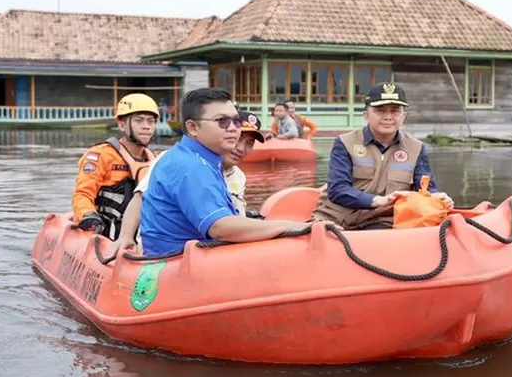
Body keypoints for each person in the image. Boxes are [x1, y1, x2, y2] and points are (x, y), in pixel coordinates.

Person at [136, 87, 336, 257]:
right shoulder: (192, 167)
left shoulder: (197, 158)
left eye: (235, 122)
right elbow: (220, 227)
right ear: (193, 127)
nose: (233, 129)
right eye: (222, 122)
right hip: (178, 264)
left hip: (181, 257)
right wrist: (289, 226)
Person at [109, 110, 266, 255]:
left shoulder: (238, 176)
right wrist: (125, 236)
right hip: (167, 254)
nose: (241, 148)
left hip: (213, 253)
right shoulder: (173, 160)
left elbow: (234, 216)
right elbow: (139, 199)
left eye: (249, 143)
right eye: (238, 139)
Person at [312, 82, 454, 230]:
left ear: (403, 116)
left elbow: (425, 188)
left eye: (395, 111)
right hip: (339, 217)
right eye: (380, 110)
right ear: (366, 115)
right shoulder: (345, 142)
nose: (388, 117)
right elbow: (338, 189)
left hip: (385, 219)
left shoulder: (416, 148)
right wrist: (377, 200)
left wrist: (437, 196)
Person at [72, 93, 160, 238]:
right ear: (121, 124)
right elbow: (83, 194)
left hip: (142, 234)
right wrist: (88, 214)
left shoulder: (156, 160)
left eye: (151, 121)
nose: (146, 127)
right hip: (106, 231)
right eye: (139, 121)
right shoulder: (101, 155)